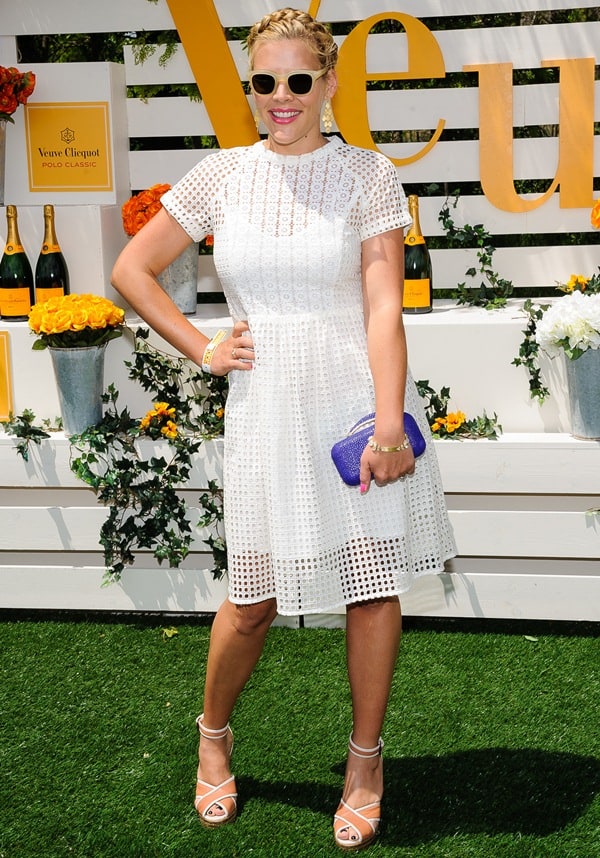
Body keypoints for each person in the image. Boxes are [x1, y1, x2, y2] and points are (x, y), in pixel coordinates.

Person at [111, 7, 456, 851]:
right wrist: (203, 346)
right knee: (253, 599)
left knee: (372, 590)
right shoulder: (220, 175)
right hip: (265, 413)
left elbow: (383, 305)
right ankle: (214, 736)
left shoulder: (367, 175)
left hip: (349, 407)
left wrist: (386, 422)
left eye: (299, 80)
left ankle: (365, 763)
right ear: (251, 89)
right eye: (265, 82)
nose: (281, 97)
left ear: (329, 84)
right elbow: (130, 270)